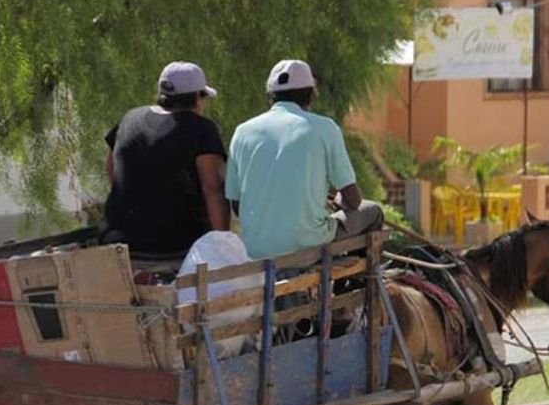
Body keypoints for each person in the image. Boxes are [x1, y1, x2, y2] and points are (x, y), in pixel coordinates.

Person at [225, 59, 383, 260]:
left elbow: (237, 206)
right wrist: (337, 202)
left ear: (271, 96)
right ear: (311, 94)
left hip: (255, 250)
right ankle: (357, 275)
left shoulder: (242, 132)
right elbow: (353, 200)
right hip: (307, 246)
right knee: (373, 212)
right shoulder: (325, 129)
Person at [101, 61, 229, 256]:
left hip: (118, 239)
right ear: (197, 98)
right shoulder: (202, 129)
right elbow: (213, 189)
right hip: (175, 245)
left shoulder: (129, 119)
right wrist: (223, 245)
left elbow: (112, 168)